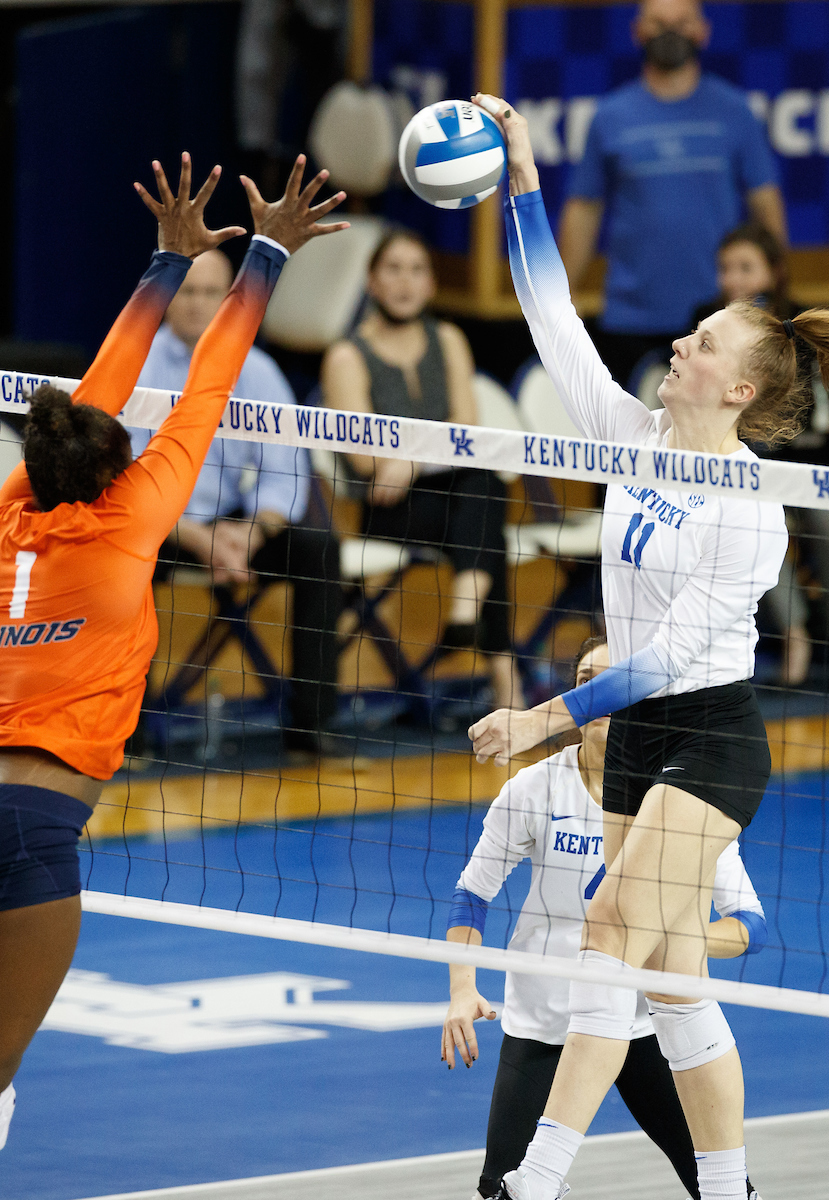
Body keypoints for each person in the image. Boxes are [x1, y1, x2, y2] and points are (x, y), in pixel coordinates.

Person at [466, 94, 829, 1200]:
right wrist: (526, 175)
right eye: (690, 333)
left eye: (700, 344)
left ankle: (533, 1181)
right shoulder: (633, 437)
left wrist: (543, 719)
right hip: (637, 736)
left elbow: (669, 663)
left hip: (712, 734)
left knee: (607, 928)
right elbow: (550, 314)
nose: (679, 343)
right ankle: (731, 1187)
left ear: (737, 389)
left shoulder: (749, 511)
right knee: (677, 980)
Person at [0, 153, 348, 1151]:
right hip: (33, 835)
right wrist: (267, 249)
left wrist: (165, 268)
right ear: (120, 461)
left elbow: (88, 397)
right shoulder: (134, 521)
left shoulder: (12, 511)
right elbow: (207, 382)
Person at [444, 636, 767, 1200]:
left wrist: (669, 939)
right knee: (500, 1191)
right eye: (588, 684)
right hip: (545, 1023)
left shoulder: (681, 802)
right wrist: (461, 987)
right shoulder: (535, 789)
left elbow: (749, 926)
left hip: (644, 1025)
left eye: (614, 683)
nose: (605, 701)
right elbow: (471, 894)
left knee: (715, 1180)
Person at [128, 249, 343, 761]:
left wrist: (248, 536)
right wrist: (198, 538)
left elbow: (288, 476)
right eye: (187, 292)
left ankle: (312, 728)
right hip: (160, 526)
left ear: (230, 301)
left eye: (211, 293)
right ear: (166, 298)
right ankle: (124, 731)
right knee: (129, 564)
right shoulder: (138, 363)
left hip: (237, 528)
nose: (199, 304)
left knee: (320, 551)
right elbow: (129, 481)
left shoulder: (259, 370)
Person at [322, 228, 523, 709]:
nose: (405, 282)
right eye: (393, 269)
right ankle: (501, 670)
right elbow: (361, 455)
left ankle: (467, 611)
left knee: (483, 489)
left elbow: (467, 425)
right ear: (371, 281)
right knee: (484, 509)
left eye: (417, 269)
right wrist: (418, 461)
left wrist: (410, 459)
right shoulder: (346, 355)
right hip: (389, 508)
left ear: (432, 283)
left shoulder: (448, 338)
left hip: (454, 493)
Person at [559, 0, 786, 388]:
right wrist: (561, 298)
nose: (670, 33)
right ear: (637, 31)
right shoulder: (611, 115)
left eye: (682, 23)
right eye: (659, 23)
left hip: (719, 315)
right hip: (629, 319)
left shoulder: (733, 110)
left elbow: (765, 203)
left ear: (702, 31)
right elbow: (584, 210)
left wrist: (779, 288)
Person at [693, 226, 829, 691]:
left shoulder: (800, 326)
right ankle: (796, 638)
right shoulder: (703, 325)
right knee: (758, 536)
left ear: (774, 273)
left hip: (803, 468)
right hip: (738, 471)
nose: (733, 279)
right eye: (726, 268)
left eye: (745, 268)